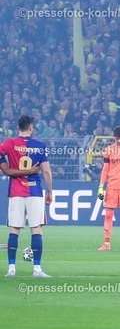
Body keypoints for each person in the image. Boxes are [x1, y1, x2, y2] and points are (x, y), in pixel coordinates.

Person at [0, 115, 53, 278]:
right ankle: (37, 269)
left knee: (14, 230)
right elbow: (46, 171)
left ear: (18, 127)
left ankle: (11, 269)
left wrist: (5, 165)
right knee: (36, 229)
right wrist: (50, 191)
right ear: (31, 128)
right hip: (34, 191)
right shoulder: (40, 146)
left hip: (16, 191)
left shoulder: (9, 143)